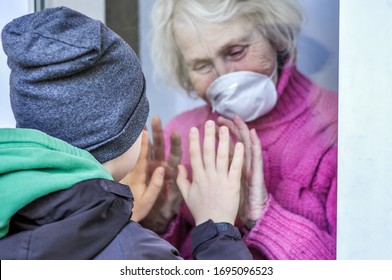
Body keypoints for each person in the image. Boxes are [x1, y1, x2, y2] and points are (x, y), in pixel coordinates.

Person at [0, 6, 252, 260]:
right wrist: (219, 230)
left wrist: (129, 220)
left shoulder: (12, 209)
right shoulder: (137, 253)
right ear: (122, 133)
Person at [139, 0, 338, 260]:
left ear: (275, 38)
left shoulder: (338, 128)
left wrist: (263, 216)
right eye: (202, 65)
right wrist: (158, 224)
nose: (224, 77)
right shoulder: (183, 136)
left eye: (235, 52)